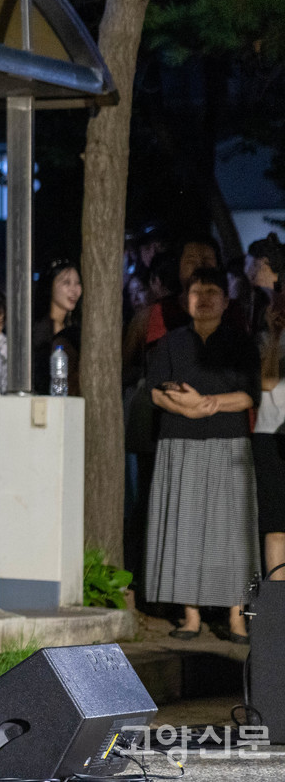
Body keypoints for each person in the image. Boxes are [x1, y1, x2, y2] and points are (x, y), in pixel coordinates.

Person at [146, 267, 259, 643]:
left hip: (230, 442)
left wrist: (206, 404)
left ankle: (237, 617)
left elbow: (249, 396)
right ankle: (190, 616)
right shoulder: (169, 343)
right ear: (185, 299)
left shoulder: (241, 343)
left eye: (213, 291)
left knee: (233, 533)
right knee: (185, 528)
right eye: (197, 291)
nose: (205, 298)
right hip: (180, 442)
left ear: (227, 301)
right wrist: (187, 410)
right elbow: (155, 393)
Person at [246, 235, 285, 584]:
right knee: (275, 525)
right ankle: (276, 613)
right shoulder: (264, 320)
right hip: (269, 430)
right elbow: (266, 381)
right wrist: (273, 336)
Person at [32, 259, 82, 395]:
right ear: (50, 285)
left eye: (78, 283)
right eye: (66, 283)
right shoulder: (38, 329)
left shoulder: (79, 326)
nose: (74, 290)